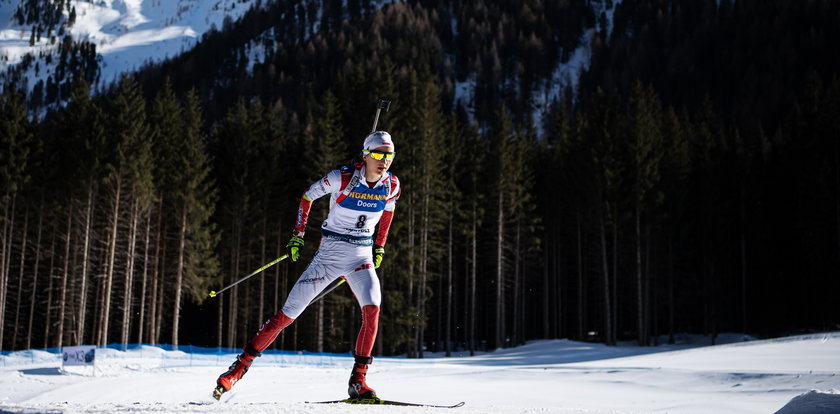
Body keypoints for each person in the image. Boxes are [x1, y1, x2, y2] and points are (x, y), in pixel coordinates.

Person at [213, 131, 401, 401]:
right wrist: (297, 235)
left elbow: (389, 212)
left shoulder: (392, 185)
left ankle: (358, 381)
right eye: (379, 154)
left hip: (361, 256)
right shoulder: (343, 177)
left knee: (372, 311)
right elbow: (308, 196)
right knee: (286, 317)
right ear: (366, 154)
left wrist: (380, 245)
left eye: (389, 155)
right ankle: (237, 370)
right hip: (329, 256)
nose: (384, 160)